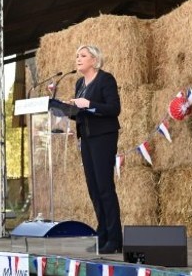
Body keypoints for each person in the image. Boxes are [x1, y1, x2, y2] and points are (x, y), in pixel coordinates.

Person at [68, 44, 123, 254]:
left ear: (94, 59)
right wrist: (68, 108)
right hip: (87, 139)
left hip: (103, 137)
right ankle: (102, 236)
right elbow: (80, 112)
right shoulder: (79, 83)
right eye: (77, 56)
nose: (78, 59)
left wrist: (88, 103)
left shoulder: (105, 79)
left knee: (104, 187)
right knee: (93, 189)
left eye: (83, 55)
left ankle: (115, 239)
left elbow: (114, 108)